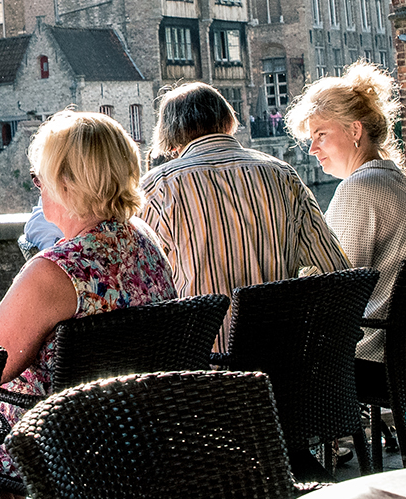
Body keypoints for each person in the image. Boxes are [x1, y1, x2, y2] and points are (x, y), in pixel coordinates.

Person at [0, 109, 175, 499]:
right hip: (137, 431)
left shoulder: (53, 273)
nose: (38, 190)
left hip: (65, 443)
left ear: (66, 183)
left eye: (39, 178)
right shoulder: (145, 245)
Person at [288, 62, 406, 455]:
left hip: (376, 355)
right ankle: (403, 426)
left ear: (355, 130)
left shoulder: (358, 190)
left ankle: (330, 438)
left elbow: (338, 284)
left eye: (321, 135)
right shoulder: (402, 183)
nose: (313, 149)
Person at [139, 81, 348, 350]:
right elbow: (336, 270)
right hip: (282, 358)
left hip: (202, 362)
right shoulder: (283, 175)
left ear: (170, 136)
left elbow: (143, 291)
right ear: (228, 120)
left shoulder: (158, 188)